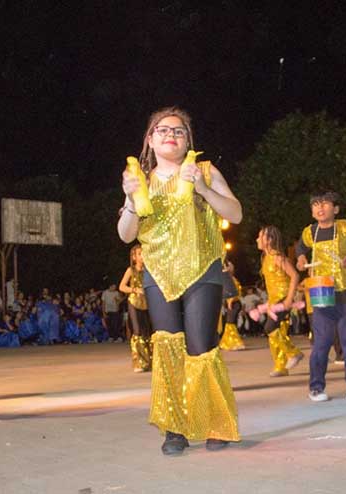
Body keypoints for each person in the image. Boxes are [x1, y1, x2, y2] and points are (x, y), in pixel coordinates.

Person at [117, 106, 241, 454]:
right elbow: (127, 236)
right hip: (158, 273)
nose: (171, 134)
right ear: (150, 140)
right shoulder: (140, 179)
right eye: (163, 130)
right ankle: (176, 428)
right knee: (168, 345)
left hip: (202, 269)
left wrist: (202, 188)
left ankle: (216, 423)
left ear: (188, 141)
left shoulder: (203, 170)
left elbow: (235, 212)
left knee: (201, 345)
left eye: (179, 131)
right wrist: (129, 198)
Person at [296, 191, 346, 402]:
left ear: (336, 209)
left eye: (325, 204)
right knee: (321, 342)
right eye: (315, 205)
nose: (320, 208)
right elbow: (299, 249)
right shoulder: (309, 232)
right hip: (321, 291)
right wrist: (301, 258)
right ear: (312, 211)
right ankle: (316, 387)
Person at [257, 225, 304, 377]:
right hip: (273, 300)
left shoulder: (278, 257)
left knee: (269, 327)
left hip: (283, 297)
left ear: (269, 240)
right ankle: (280, 366)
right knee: (275, 333)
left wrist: (289, 299)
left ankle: (294, 353)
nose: (257, 239)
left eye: (260, 236)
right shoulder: (265, 258)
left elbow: (295, 276)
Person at [119, 244, 153, 372]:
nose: (142, 256)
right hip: (134, 303)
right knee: (137, 331)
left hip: (147, 304)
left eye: (143, 253)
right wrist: (134, 289)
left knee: (147, 331)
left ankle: (148, 361)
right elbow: (122, 287)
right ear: (134, 257)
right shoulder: (130, 270)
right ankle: (139, 362)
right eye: (139, 254)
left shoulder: (148, 270)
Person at [218, 260, 246, 351]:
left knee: (230, 323)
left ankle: (234, 342)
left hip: (233, 303)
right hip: (232, 303)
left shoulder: (232, 279)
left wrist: (230, 303)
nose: (227, 267)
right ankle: (228, 342)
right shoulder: (230, 278)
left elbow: (234, 293)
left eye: (229, 266)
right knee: (230, 323)